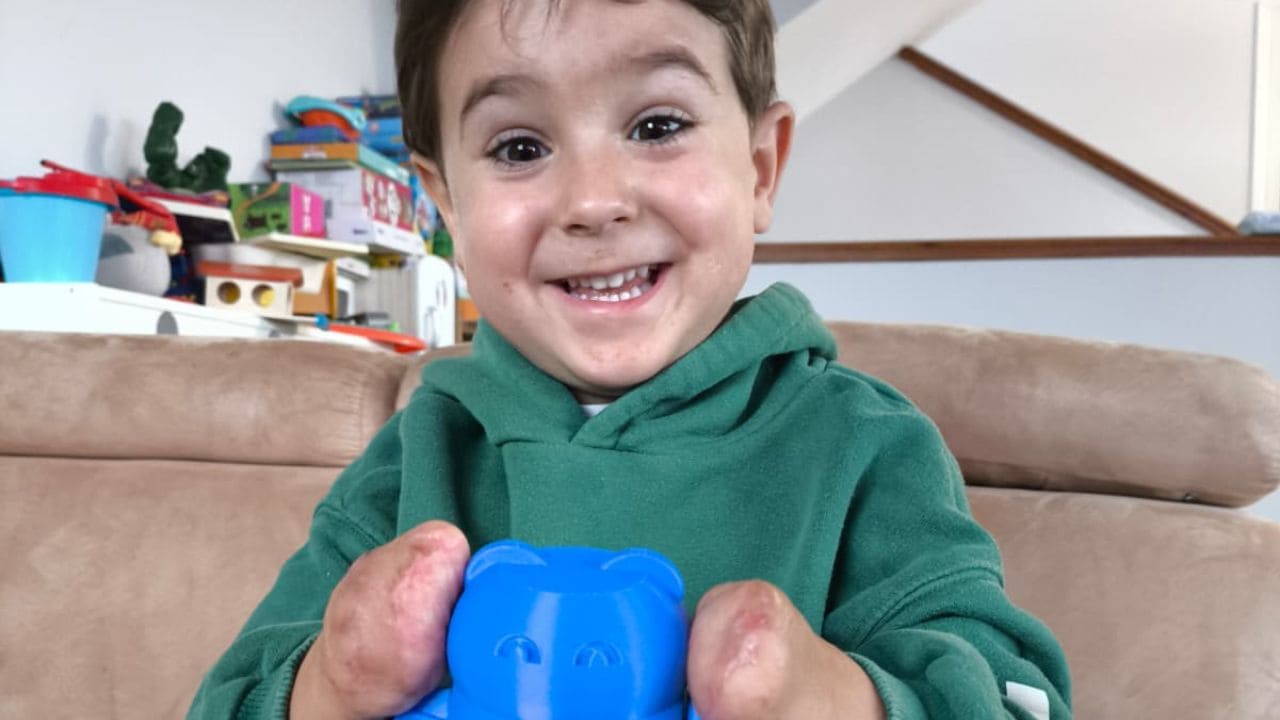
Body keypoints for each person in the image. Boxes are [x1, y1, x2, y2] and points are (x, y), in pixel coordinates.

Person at [189, 1, 1072, 718]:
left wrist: (832, 699)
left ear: (760, 168)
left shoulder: (862, 445)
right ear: (446, 204)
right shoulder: (419, 456)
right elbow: (225, 700)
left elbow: (1018, 696)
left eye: (656, 124)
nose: (593, 201)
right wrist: (333, 684)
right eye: (519, 147)